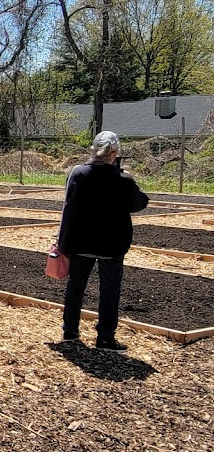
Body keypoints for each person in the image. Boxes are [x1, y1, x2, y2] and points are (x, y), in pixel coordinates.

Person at [57, 131, 148, 353]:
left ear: (92, 150)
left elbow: (68, 208)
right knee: (109, 290)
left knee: (76, 286)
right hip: (111, 244)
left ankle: (70, 330)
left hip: (81, 242)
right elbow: (139, 203)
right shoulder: (122, 180)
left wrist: (63, 242)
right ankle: (105, 338)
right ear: (114, 153)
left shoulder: (77, 173)